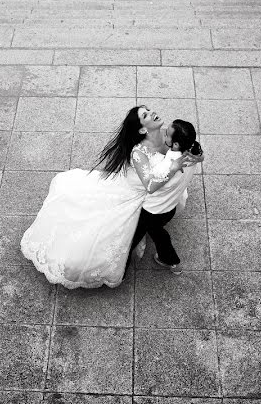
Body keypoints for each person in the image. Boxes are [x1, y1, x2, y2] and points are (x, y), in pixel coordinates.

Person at [20, 106, 199, 289]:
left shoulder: (166, 135)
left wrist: (196, 156)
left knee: (147, 229)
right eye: (145, 115)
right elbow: (150, 185)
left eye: (148, 110)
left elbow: (185, 148)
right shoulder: (138, 153)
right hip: (135, 191)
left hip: (153, 196)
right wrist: (173, 168)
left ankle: (164, 257)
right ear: (143, 129)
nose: (152, 113)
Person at [130, 119, 202, 274]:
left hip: (153, 211)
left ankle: (172, 261)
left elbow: (150, 185)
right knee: (157, 233)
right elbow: (201, 154)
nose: (164, 135)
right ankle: (169, 260)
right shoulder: (193, 153)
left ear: (175, 144)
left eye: (168, 134)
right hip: (171, 206)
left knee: (137, 236)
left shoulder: (169, 164)